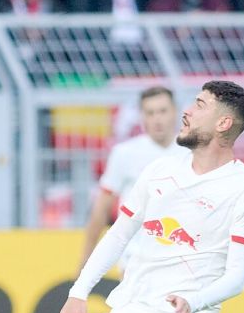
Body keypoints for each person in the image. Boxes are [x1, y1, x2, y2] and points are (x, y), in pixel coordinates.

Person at [49, 81, 244, 313]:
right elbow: (118, 235)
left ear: (223, 124)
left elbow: (237, 279)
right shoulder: (160, 170)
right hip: (129, 311)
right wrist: (79, 291)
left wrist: (192, 302)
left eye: (199, 105)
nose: (187, 110)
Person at [78, 87, 186, 269]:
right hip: (135, 254)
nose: (157, 119)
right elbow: (102, 207)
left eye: (162, 111)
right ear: (142, 117)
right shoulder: (124, 153)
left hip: (180, 255)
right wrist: (87, 258)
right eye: (150, 113)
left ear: (175, 112)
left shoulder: (191, 152)